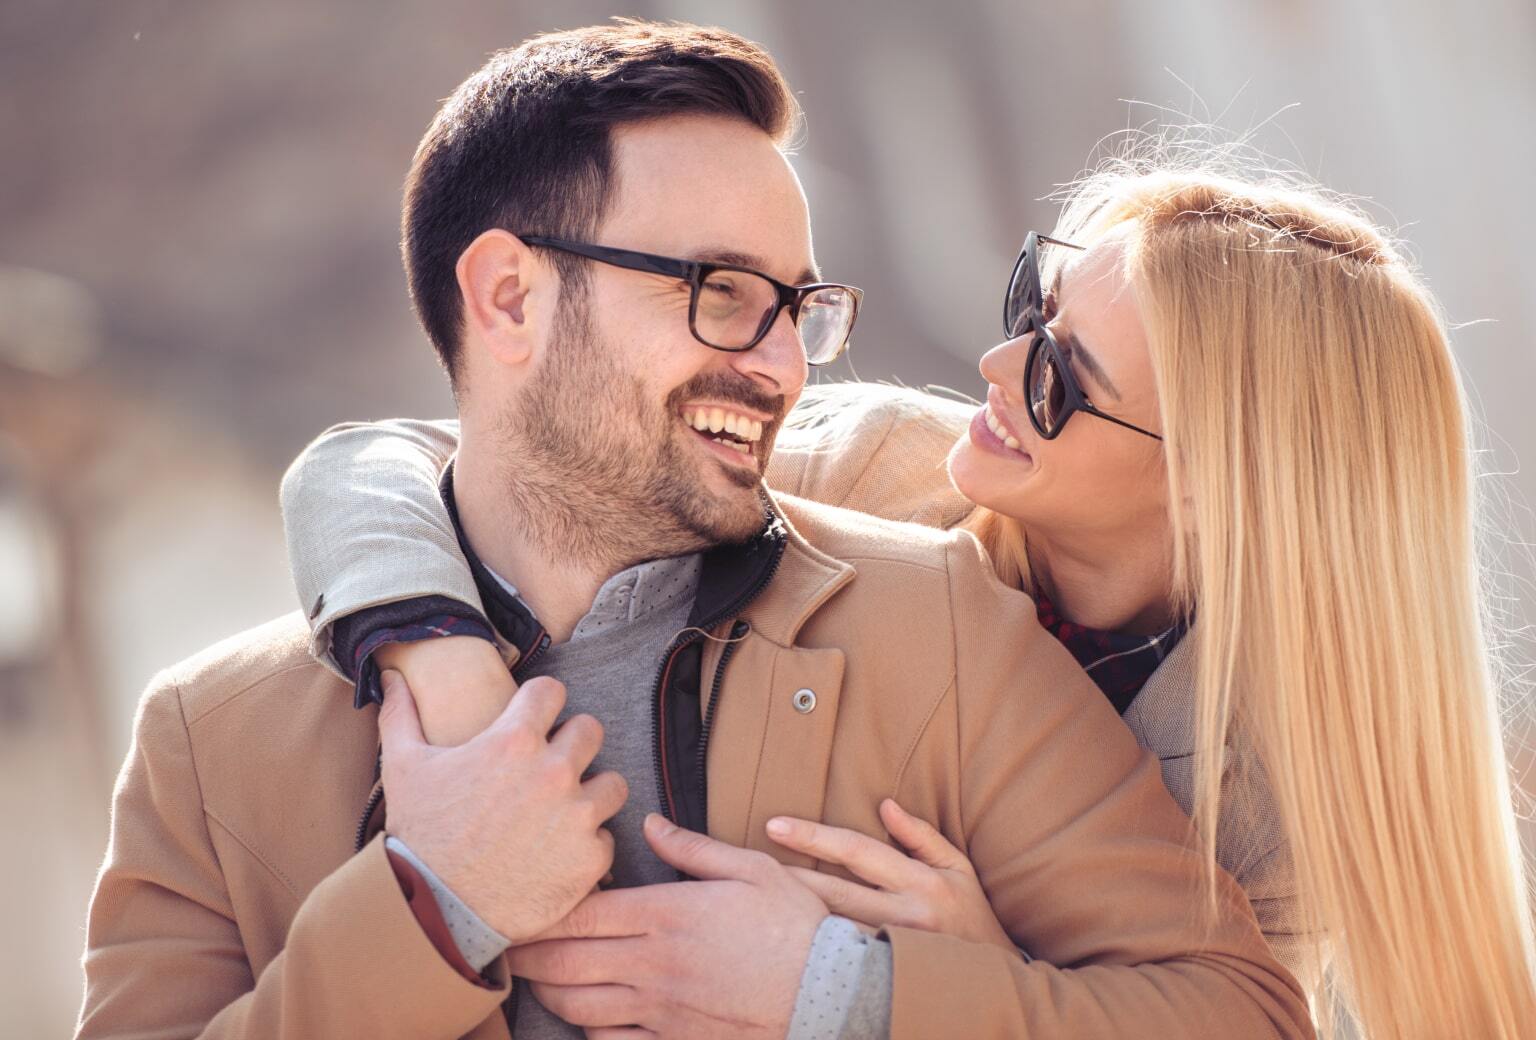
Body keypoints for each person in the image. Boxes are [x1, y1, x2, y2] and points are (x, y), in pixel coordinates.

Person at [75, 20, 1311, 1040]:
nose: (782, 365)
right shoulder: (209, 743)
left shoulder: (939, 625)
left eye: (798, 308)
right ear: (509, 296)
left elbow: (1242, 1014)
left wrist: (848, 994)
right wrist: (433, 908)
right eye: (722, 294)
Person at [278, 135, 1536, 1040]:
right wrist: (436, 652)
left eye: (1060, 376)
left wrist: (954, 978)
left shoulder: (1283, 786)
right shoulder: (863, 469)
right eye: (1026, 308)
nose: (993, 363)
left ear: (1220, 483)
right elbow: (389, 459)